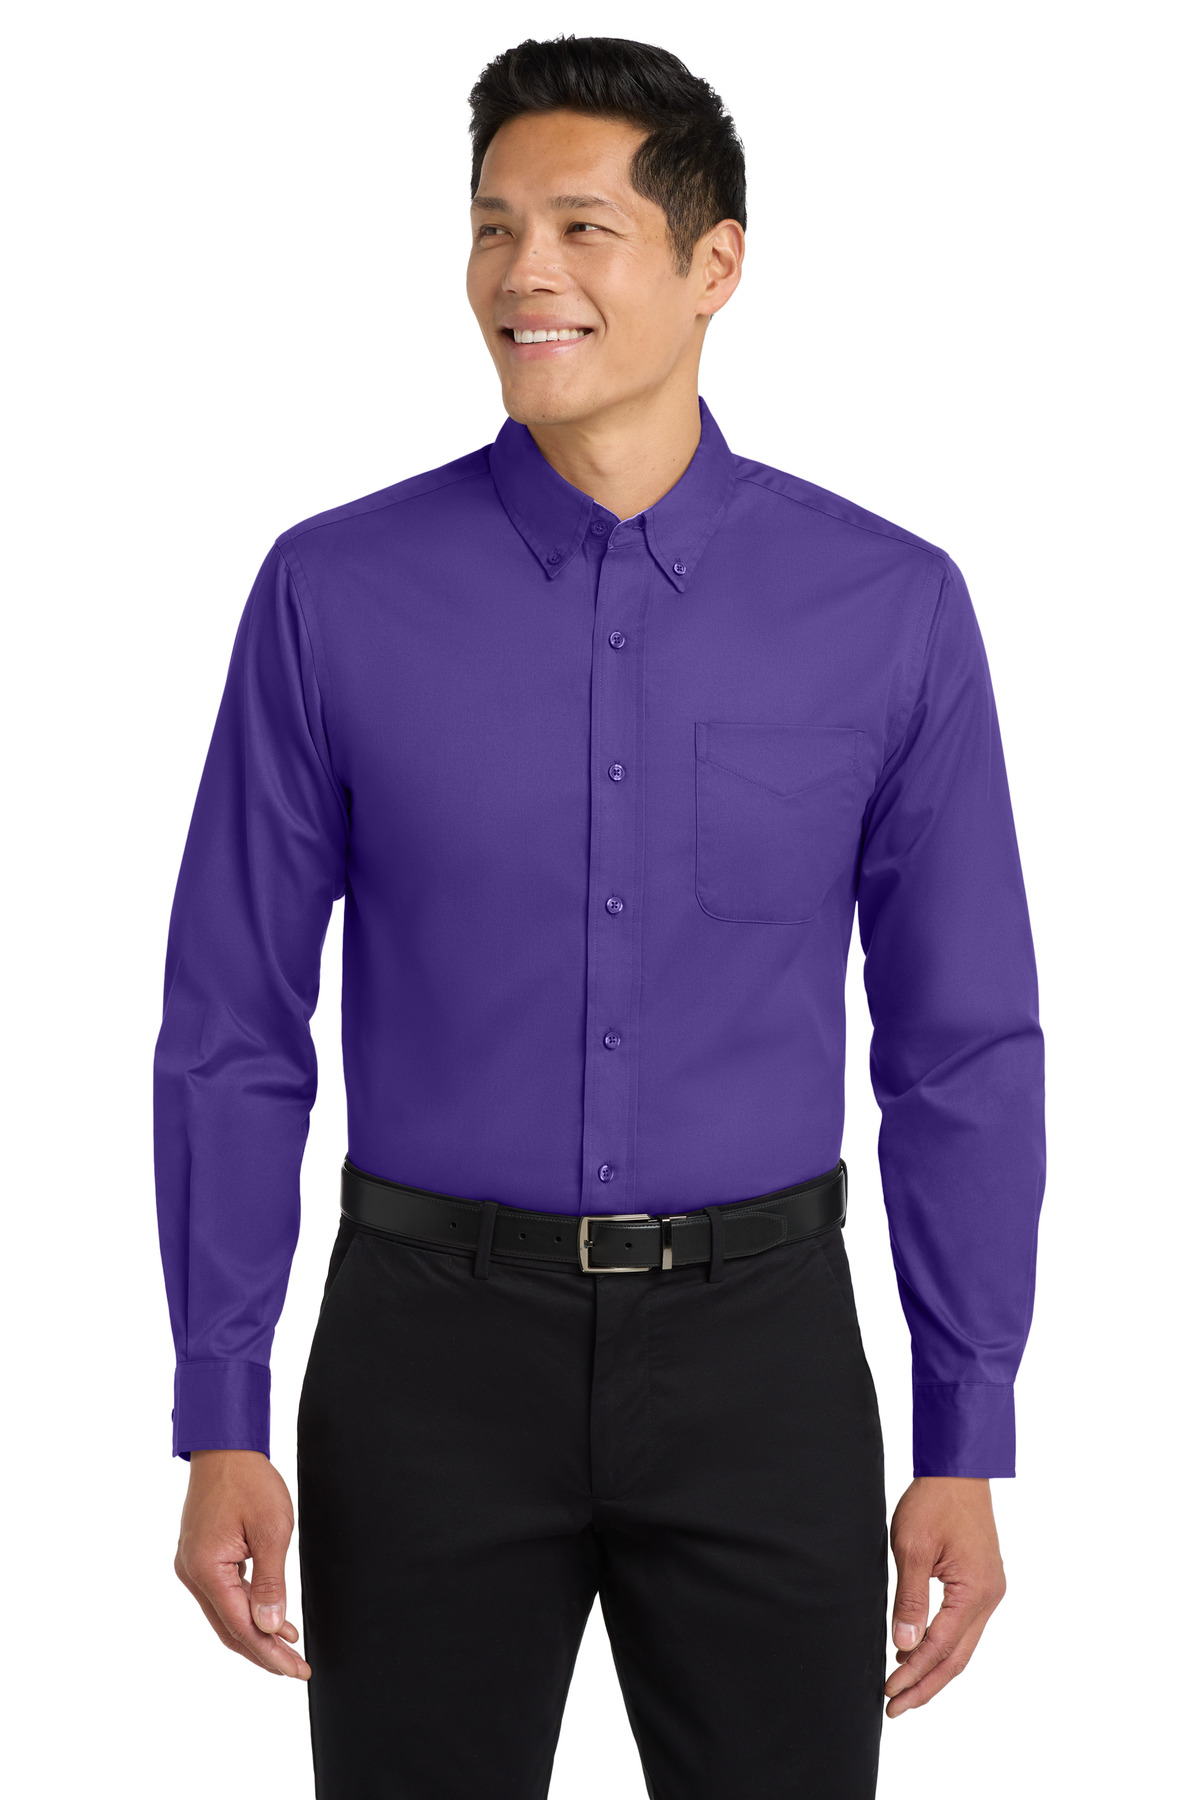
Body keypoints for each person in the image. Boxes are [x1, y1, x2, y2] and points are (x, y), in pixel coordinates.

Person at [156, 34, 1045, 1800]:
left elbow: (961, 1046)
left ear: (716, 265)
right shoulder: (331, 593)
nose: (523, 273)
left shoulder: (890, 608)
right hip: (423, 1355)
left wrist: (969, 1425)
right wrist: (220, 1404)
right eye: (493, 227)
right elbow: (233, 1023)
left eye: (581, 226)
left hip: (763, 1356)